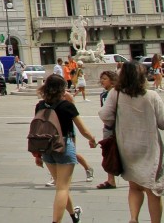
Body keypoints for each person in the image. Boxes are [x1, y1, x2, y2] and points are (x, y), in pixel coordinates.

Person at [98, 60, 164, 223]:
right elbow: (163, 122)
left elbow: (105, 115)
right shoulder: (152, 96)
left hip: (126, 146)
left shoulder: (116, 94)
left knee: (134, 186)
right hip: (149, 147)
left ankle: (134, 218)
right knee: (152, 190)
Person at [32, 74, 97, 223]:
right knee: (62, 188)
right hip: (64, 145)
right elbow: (83, 130)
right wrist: (92, 139)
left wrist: (37, 155)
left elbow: (37, 130)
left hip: (46, 147)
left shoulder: (40, 105)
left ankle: (74, 215)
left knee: (61, 186)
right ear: (62, 88)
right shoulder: (66, 106)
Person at [95, 70, 119, 190]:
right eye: (101, 78)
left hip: (118, 127)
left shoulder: (117, 93)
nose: (102, 80)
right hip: (108, 127)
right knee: (108, 152)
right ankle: (111, 180)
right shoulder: (103, 94)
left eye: (105, 78)